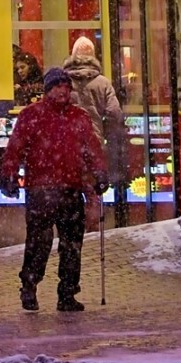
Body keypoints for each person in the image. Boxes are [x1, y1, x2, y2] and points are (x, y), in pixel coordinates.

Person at [0, 67, 107, 314]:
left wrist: (100, 173)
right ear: (48, 90)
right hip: (41, 190)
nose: (63, 91)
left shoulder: (78, 117)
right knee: (40, 243)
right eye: (58, 86)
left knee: (71, 244)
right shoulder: (31, 115)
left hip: (70, 189)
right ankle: (29, 285)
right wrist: (9, 173)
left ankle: (67, 293)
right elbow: (15, 148)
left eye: (66, 87)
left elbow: (92, 148)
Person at [65, 36, 130, 226]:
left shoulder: (63, 82)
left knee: (70, 188)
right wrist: (108, 132)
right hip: (94, 143)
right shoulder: (102, 82)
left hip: (67, 145)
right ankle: (92, 228)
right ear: (93, 56)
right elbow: (115, 113)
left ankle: (71, 229)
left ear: (73, 55)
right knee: (93, 191)